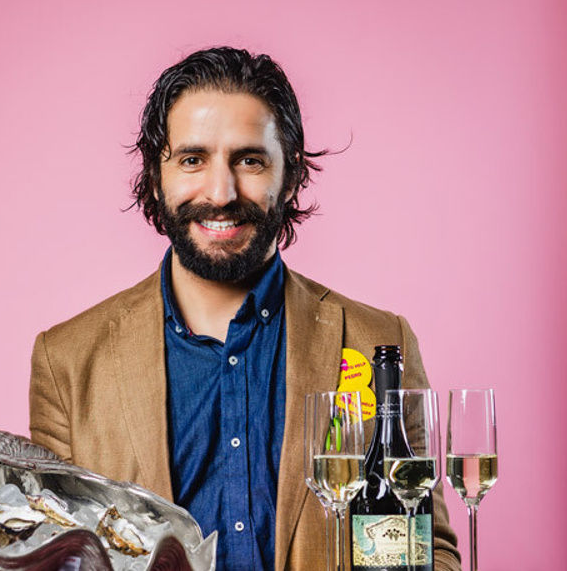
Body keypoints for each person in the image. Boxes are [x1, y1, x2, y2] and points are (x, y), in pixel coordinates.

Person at [30, 47, 461, 570]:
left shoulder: (378, 342)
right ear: (155, 176)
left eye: (249, 160)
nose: (221, 192)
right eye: (192, 159)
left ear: (292, 174)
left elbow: (430, 550)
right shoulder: (67, 362)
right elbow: (53, 556)